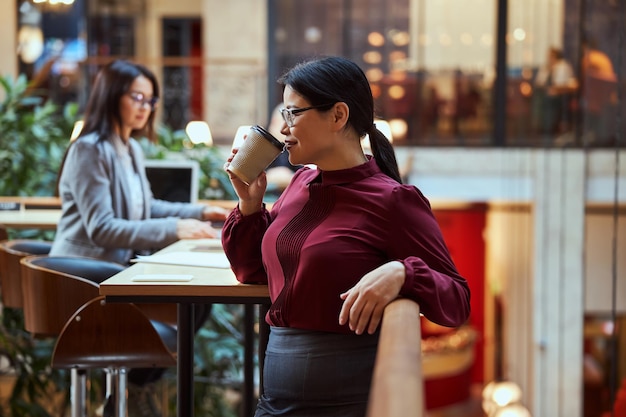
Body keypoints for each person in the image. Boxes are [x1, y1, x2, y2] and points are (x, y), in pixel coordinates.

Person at [222, 56, 471, 417]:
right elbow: (252, 272)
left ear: (338, 116)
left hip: (345, 402)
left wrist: (403, 273)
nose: (283, 128)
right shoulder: (300, 184)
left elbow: (457, 300)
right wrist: (249, 205)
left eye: (293, 114)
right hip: (275, 399)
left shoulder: (393, 200)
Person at [50, 59, 228, 417]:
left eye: (151, 100)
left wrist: (196, 212)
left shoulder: (128, 148)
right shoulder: (89, 150)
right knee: (191, 300)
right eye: (138, 97)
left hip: (115, 272)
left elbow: (145, 207)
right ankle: (132, 389)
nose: (146, 107)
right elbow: (103, 227)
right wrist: (175, 229)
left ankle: (132, 388)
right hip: (85, 278)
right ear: (113, 96)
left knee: (199, 299)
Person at [533, 47, 578, 135]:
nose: (549, 58)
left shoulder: (563, 66)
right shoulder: (545, 68)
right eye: (548, 56)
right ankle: (541, 126)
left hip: (561, 95)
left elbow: (571, 84)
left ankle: (550, 127)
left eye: (551, 56)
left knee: (550, 100)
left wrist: (557, 90)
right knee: (539, 99)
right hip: (546, 94)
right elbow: (539, 82)